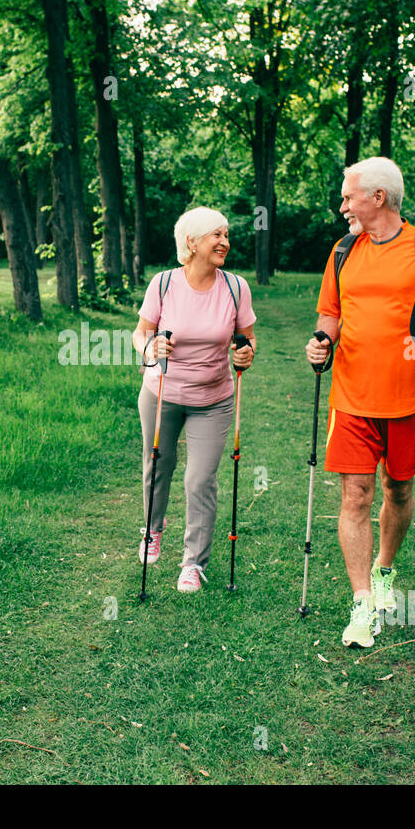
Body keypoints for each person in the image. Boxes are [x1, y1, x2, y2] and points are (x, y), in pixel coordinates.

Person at [305, 157, 415, 647]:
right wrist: (320, 342)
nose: (342, 207)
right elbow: (329, 314)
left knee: (397, 491)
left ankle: (384, 571)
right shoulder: (342, 252)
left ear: (377, 198)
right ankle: (361, 604)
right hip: (351, 398)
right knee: (354, 495)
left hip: (407, 400)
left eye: (348, 196)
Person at [132, 207, 257, 593]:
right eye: (216, 235)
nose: (225, 242)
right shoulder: (165, 284)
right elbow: (141, 334)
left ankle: (193, 563)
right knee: (159, 465)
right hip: (162, 392)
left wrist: (246, 353)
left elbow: (248, 339)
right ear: (192, 242)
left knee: (200, 479)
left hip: (214, 398)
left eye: (226, 235)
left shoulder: (236, 287)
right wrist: (151, 348)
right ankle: (153, 530)